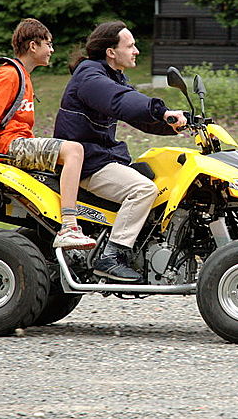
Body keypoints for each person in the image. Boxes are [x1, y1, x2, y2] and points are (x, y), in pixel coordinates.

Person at [54, 21, 187, 282]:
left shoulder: (112, 76)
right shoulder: (90, 77)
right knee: (143, 189)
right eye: (131, 46)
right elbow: (121, 101)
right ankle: (112, 256)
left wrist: (174, 124)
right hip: (88, 163)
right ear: (111, 52)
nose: (136, 51)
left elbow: (136, 115)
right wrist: (162, 111)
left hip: (101, 156)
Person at [0, 18, 96, 251]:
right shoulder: (9, 75)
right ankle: (69, 226)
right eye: (48, 44)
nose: (52, 50)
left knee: (77, 153)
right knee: (74, 150)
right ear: (33, 46)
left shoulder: (23, 76)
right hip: (7, 146)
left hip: (17, 142)